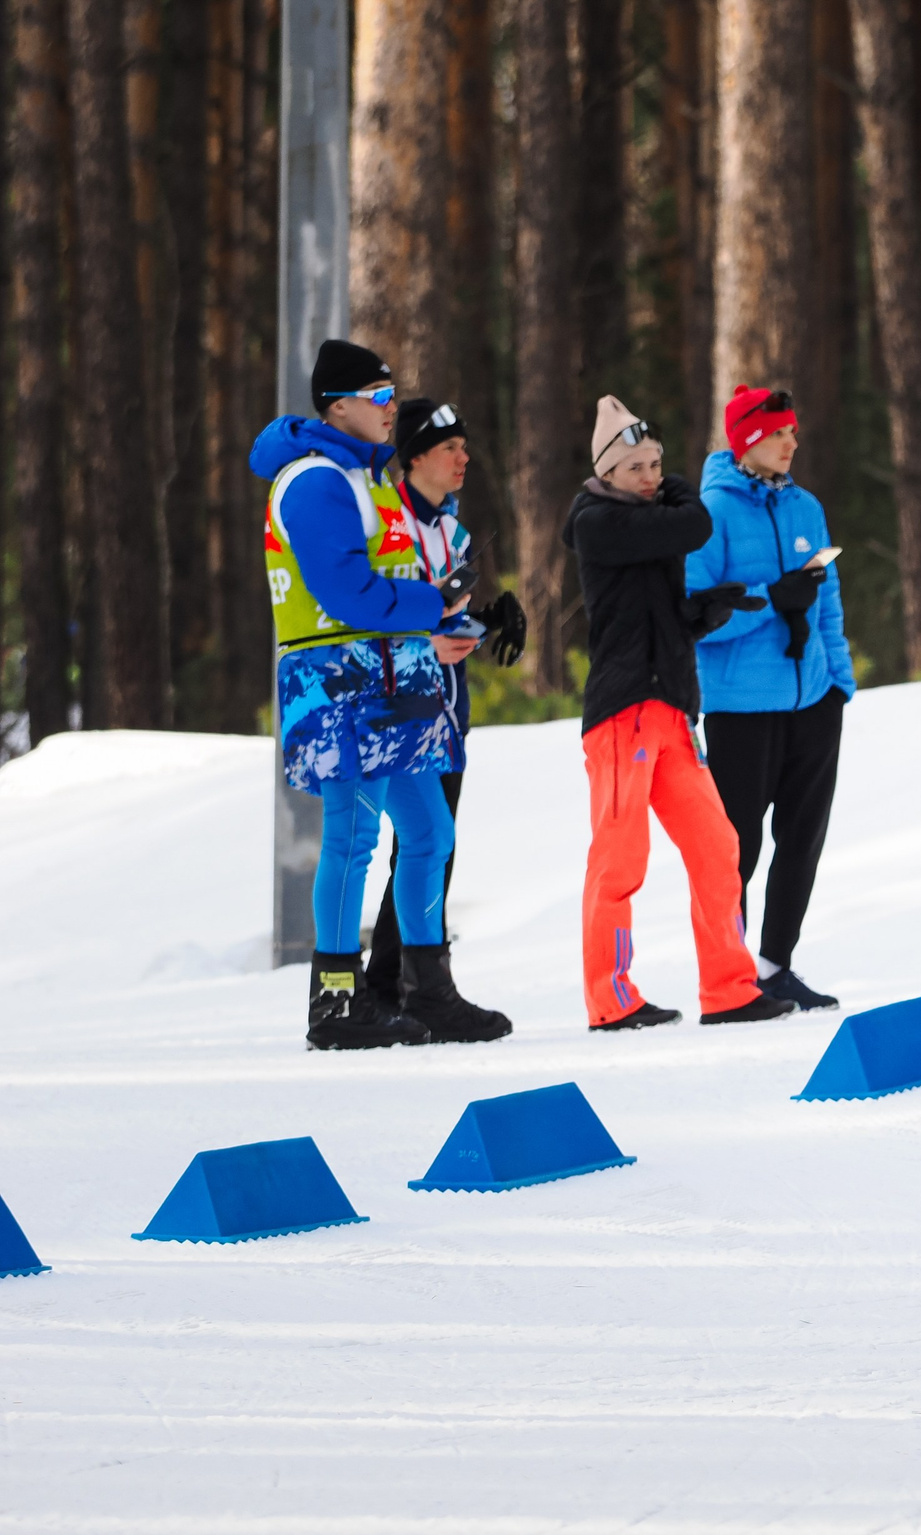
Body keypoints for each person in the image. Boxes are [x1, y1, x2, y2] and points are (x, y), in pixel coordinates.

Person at [250, 338, 511, 1048]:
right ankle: (336, 999)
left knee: (430, 832)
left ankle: (429, 990)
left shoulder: (362, 481)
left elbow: (391, 598)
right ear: (339, 406)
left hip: (389, 679)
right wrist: (430, 609)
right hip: (339, 686)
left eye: (391, 395)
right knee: (355, 834)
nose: (391, 408)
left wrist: (445, 629)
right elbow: (347, 593)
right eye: (379, 397)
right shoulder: (314, 481)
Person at [567, 396, 796, 1030]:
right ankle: (609, 999)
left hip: (670, 711)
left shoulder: (646, 517)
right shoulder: (597, 520)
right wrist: (678, 487)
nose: (650, 477)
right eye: (637, 466)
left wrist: (701, 614)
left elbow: (645, 612)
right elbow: (694, 526)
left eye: (657, 464)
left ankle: (730, 988)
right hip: (621, 717)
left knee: (718, 846)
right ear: (607, 472)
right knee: (620, 858)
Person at [686, 385, 857, 1013]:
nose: (792, 441)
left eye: (793, 431)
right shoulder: (712, 513)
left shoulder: (806, 506)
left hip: (812, 700)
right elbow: (696, 616)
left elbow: (828, 599)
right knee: (739, 846)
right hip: (739, 706)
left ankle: (775, 965)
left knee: (802, 837)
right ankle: (728, 977)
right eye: (779, 432)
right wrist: (769, 601)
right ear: (748, 439)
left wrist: (838, 683)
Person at [360, 398, 529, 1013]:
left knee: (432, 845)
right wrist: (426, 639)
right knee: (409, 844)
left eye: (464, 447)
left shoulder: (452, 529)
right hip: (393, 710)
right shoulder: (386, 521)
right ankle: (383, 989)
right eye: (450, 448)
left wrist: (485, 620)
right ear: (415, 458)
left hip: (445, 714)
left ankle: (406, 988)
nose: (464, 458)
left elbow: (441, 617)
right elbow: (368, 614)